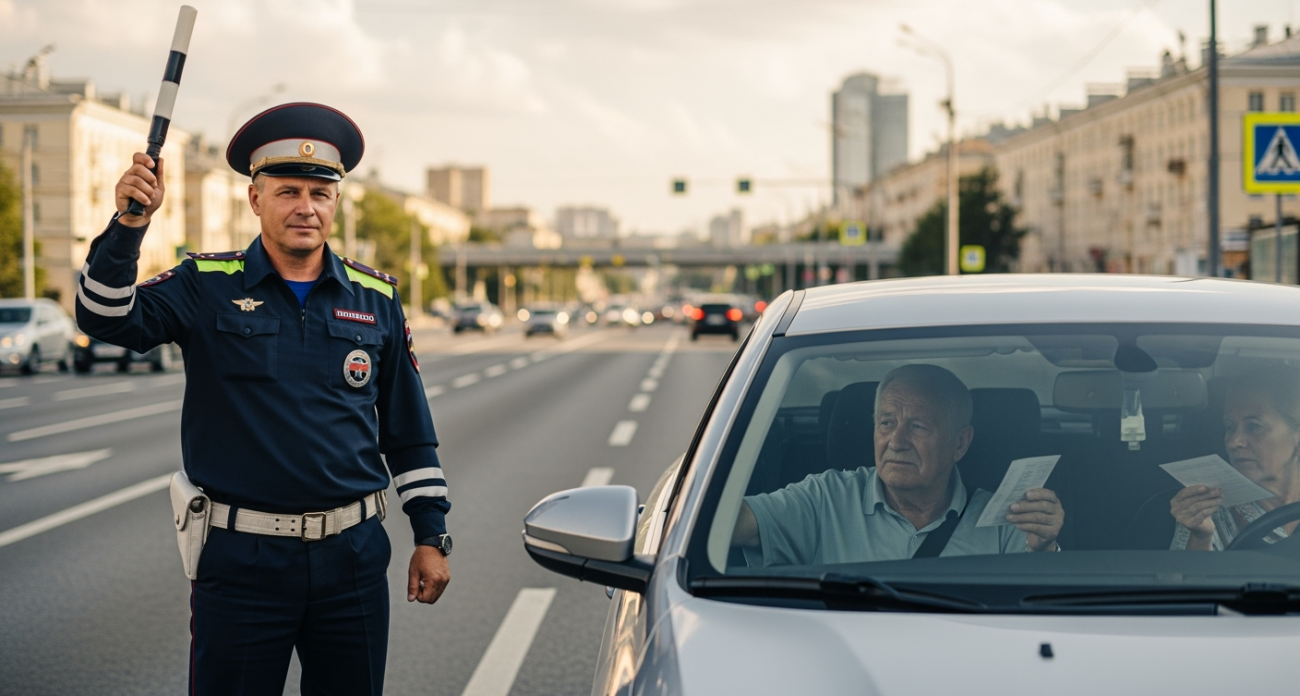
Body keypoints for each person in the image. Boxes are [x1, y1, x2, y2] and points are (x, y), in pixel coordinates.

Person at [76, 102, 451, 695]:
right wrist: (129, 227)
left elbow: (407, 432)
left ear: (335, 203)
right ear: (256, 199)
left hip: (352, 559)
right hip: (241, 558)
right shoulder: (205, 283)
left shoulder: (376, 297)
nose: (306, 207)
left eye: (320, 193)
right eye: (287, 192)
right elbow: (103, 319)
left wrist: (430, 537)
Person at [732, 364, 1063, 566]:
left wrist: (1043, 546)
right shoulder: (825, 499)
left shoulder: (1009, 521)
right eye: (886, 423)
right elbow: (730, 524)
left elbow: (1039, 613)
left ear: (959, 443)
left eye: (917, 426)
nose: (897, 440)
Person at [1171, 366, 1300, 551]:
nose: (1233, 442)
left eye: (1254, 426)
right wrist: (1201, 536)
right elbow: (1183, 578)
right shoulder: (1206, 510)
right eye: (1229, 427)